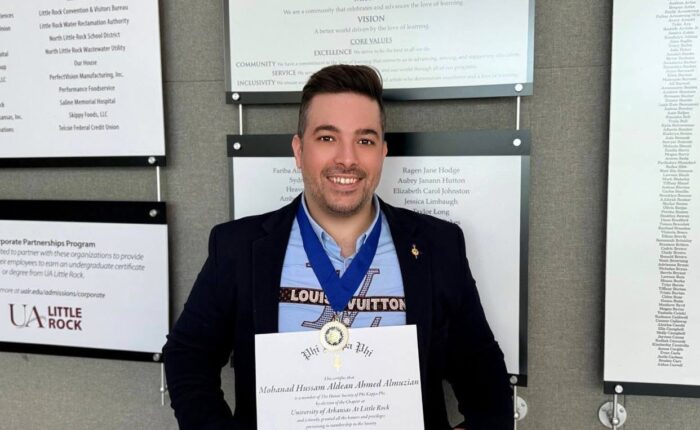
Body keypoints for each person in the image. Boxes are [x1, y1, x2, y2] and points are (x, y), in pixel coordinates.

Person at [163, 65, 513, 429]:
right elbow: (188, 355)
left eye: (365, 141)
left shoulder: (438, 246)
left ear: (383, 152)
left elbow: (482, 369)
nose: (347, 159)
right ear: (299, 150)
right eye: (327, 138)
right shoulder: (238, 248)